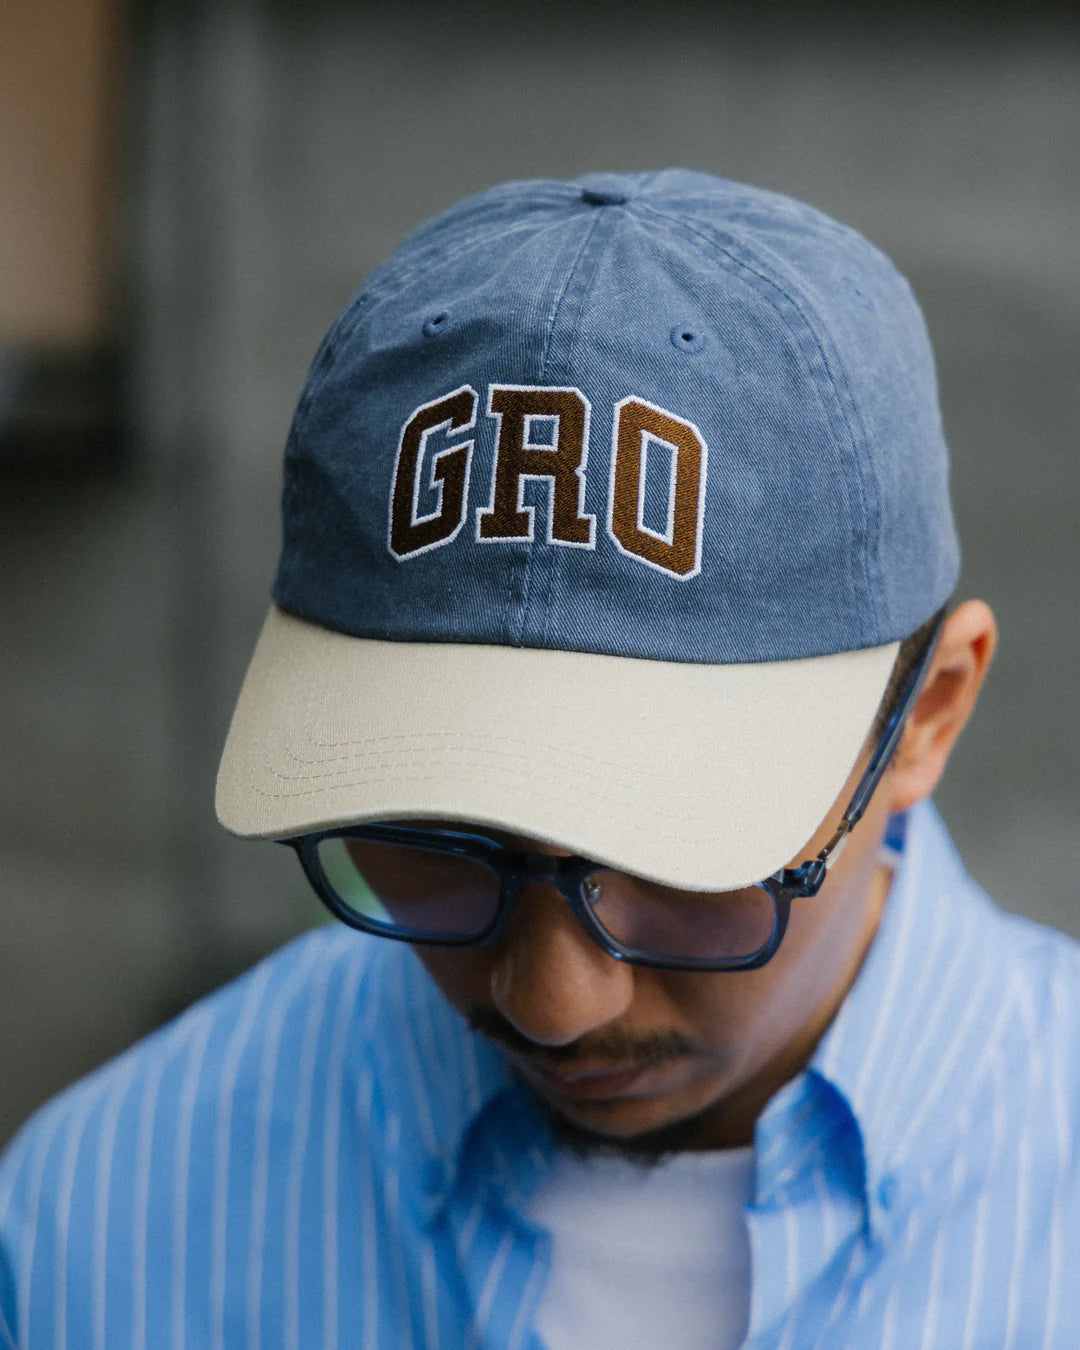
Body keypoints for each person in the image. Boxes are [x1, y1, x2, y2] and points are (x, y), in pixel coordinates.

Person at [1, 169, 1076, 1350]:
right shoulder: (105, 1220)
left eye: (683, 850)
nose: (554, 1002)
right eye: (436, 845)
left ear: (929, 712)